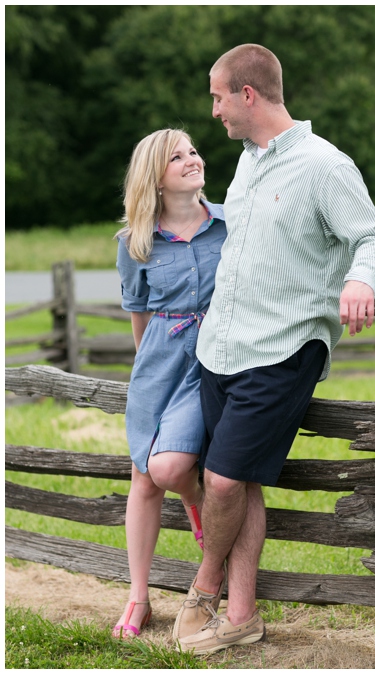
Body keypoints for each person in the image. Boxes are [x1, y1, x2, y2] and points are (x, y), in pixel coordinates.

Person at [173, 44, 375, 654]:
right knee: (239, 484)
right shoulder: (246, 163)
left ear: (248, 94)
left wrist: (359, 279)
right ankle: (242, 618)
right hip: (221, 346)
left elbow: (374, 237)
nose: (213, 110)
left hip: (283, 349)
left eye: (219, 96)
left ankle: (204, 587)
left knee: (220, 483)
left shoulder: (326, 165)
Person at [113, 129, 227, 638]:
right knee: (143, 478)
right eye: (176, 157)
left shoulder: (230, 223)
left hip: (214, 359)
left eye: (194, 152)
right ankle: (138, 599)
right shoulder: (135, 242)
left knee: (169, 466)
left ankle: (200, 507)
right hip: (159, 364)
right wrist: (148, 376)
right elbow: (140, 319)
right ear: (154, 177)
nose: (191, 160)